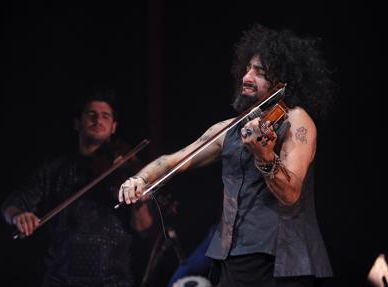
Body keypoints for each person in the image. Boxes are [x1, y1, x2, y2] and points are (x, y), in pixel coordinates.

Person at [118, 24, 334, 287]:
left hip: (281, 260)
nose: (247, 77)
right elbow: (175, 160)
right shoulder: (228, 128)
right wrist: (139, 179)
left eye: (260, 72)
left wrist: (265, 156)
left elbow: (290, 193)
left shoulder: (296, 120)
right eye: (247, 69)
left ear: (280, 84)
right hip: (232, 256)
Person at [1, 88, 153, 287]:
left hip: (113, 282)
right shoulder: (54, 168)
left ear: (113, 126)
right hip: (60, 281)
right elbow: (11, 205)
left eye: (105, 116)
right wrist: (17, 216)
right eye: (91, 115)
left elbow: (143, 228)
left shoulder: (127, 172)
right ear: (76, 123)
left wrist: (139, 203)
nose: (97, 120)